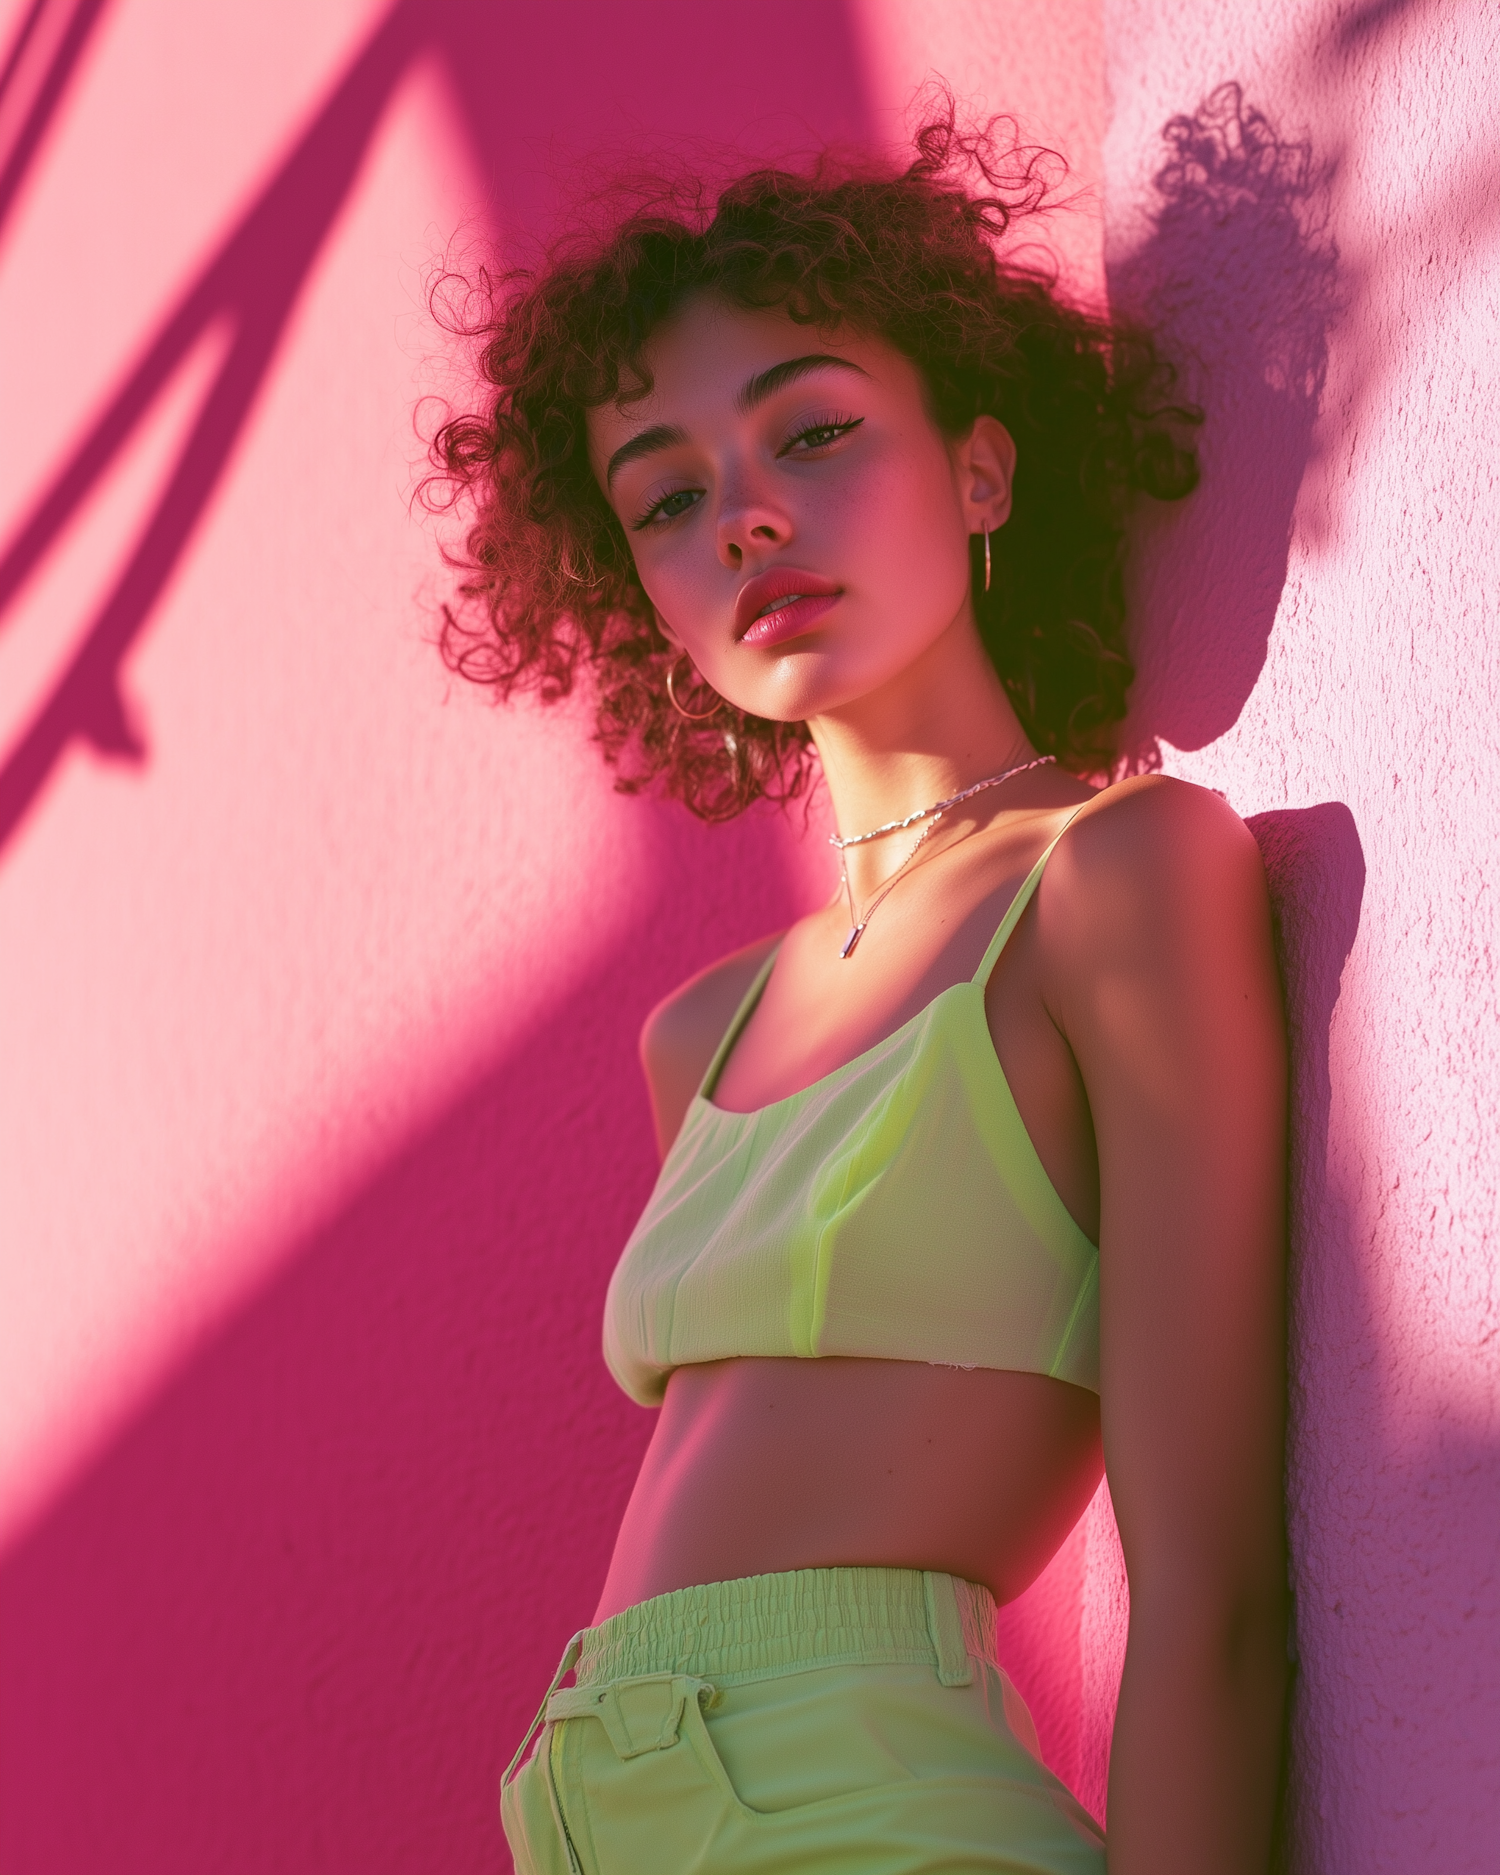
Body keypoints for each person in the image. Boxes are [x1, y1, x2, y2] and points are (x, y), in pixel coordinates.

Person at [432, 112, 1290, 1875]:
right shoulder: (703, 1034)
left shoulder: (1114, 879)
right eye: (667, 493)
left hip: (868, 1816)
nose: (745, 513)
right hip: (596, 1819)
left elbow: (1211, 1586)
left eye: (813, 431)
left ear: (982, 471)